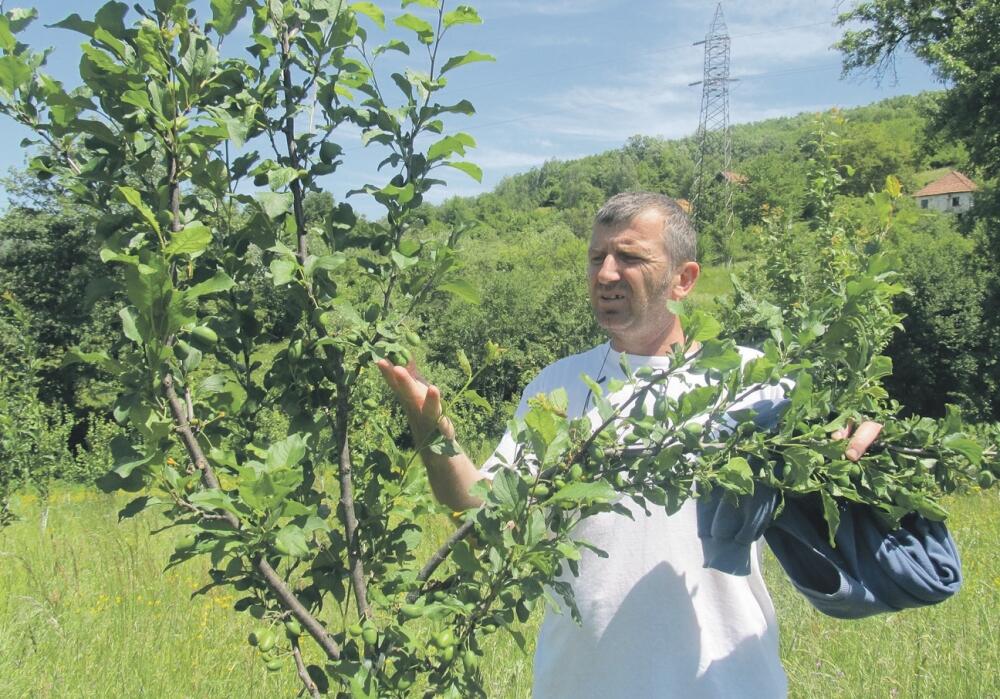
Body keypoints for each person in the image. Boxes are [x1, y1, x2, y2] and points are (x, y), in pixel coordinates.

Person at [377, 192, 880, 698]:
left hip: (724, 683)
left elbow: (842, 470)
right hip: (579, 685)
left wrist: (857, 445)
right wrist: (432, 431)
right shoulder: (559, 385)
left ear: (684, 279)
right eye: (597, 258)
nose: (606, 273)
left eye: (631, 257)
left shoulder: (756, 383)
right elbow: (477, 504)